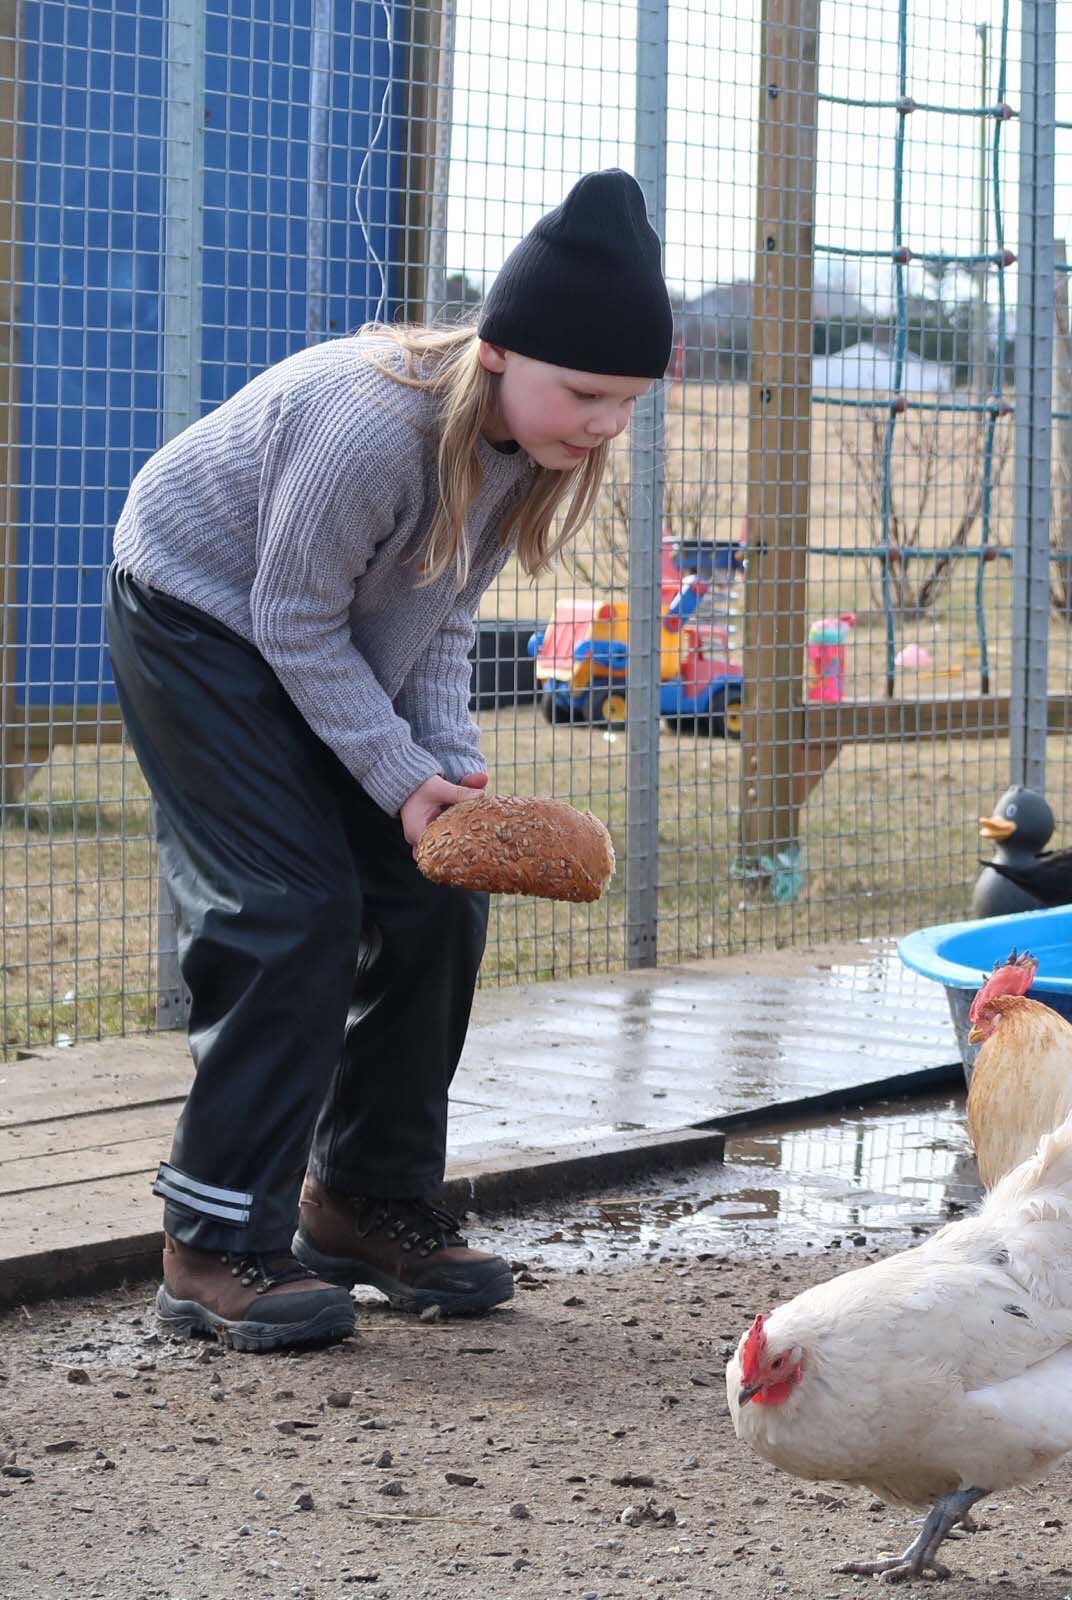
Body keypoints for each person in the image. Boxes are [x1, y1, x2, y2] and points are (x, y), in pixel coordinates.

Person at [106, 169, 672, 1352]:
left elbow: (437, 619)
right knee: (289, 909)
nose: (605, 426)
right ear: (505, 351)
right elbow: (292, 619)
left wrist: (449, 784)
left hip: (295, 630)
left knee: (435, 900)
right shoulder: (371, 422)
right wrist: (394, 774)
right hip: (197, 618)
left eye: (628, 403)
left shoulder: (523, 447)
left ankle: (362, 1203)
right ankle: (209, 1245)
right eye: (587, 394)